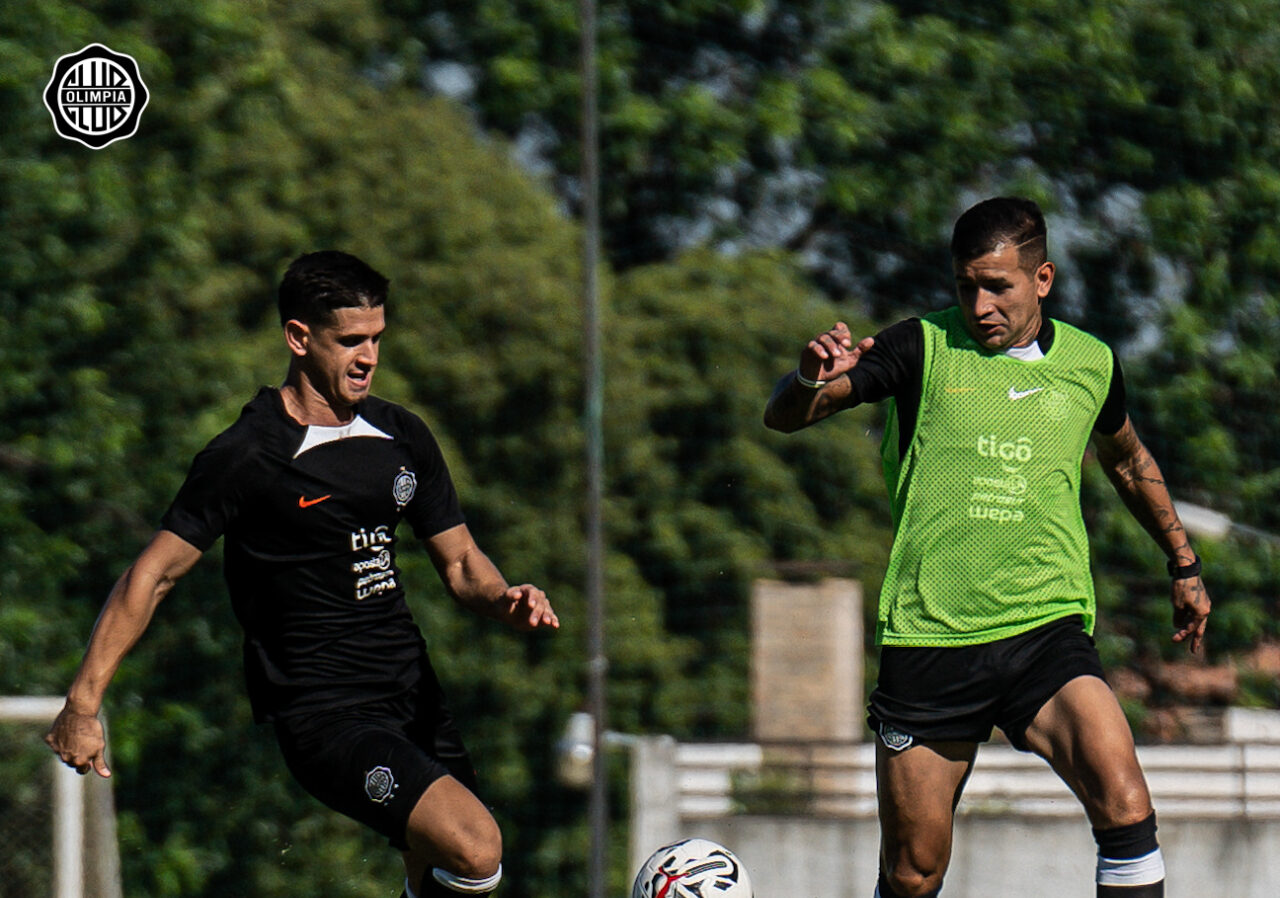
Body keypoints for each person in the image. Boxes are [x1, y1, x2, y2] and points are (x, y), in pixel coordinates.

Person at [45, 251, 558, 898]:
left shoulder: (400, 435)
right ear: (298, 338)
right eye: (350, 341)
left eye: (376, 339)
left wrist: (504, 598)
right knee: (477, 846)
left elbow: (460, 564)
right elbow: (152, 576)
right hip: (325, 713)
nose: (368, 356)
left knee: (447, 877)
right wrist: (84, 702)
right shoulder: (249, 454)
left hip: (412, 693)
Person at [764, 197, 1210, 898]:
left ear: (1043, 279)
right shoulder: (920, 347)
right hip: (932, 639)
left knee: (1125, 804)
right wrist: (810, 378)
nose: (980, 304)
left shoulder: (1091, 364)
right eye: (966, 285)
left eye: (997, 285)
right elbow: (791, 415)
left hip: (1045, 631)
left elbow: (1127, 461)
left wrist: (1183, 562)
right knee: (914, 872)